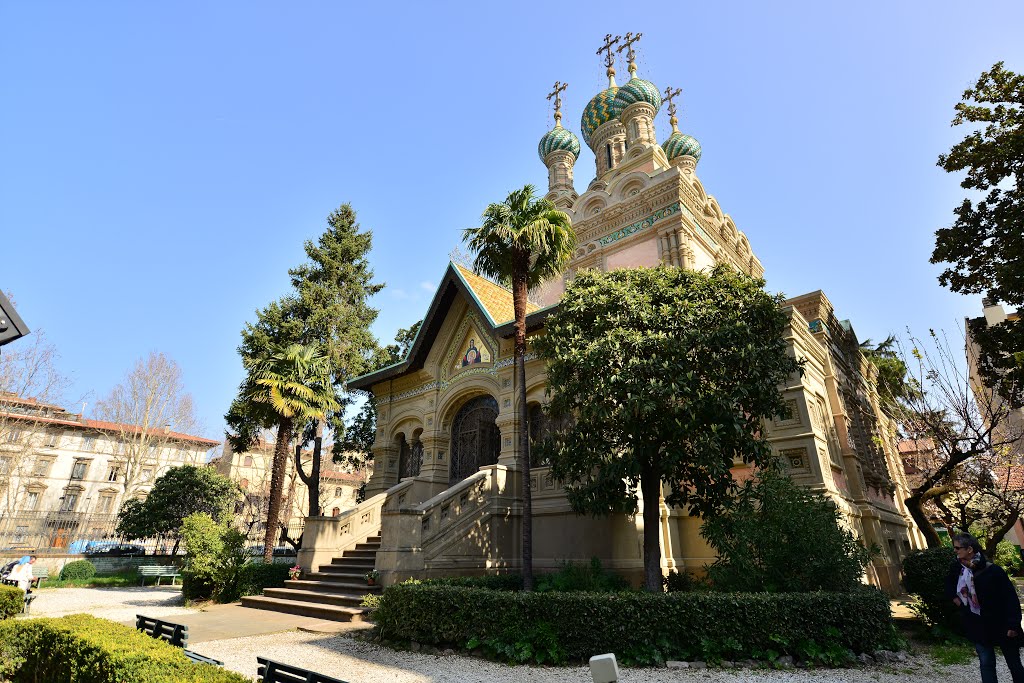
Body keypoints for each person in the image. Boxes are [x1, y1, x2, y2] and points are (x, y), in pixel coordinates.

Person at [946, 533, 1024, 683]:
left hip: (1002, 623)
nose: (955, 551)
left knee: (1014, 664)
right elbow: (949, 587)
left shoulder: (994, 571)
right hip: (978, 624)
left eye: (957, 548)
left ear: (969, 549)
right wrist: (959, 602)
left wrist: (1013, 624)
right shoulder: (957, 569)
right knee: (986, 663)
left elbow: (1010, 598)